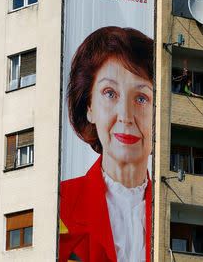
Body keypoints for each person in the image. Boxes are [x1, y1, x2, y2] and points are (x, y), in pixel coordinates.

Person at [59, 26, 153, 262]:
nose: (126, 116)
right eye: (110, 93)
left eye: (142, 98)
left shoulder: (178, 208)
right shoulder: (60, 202)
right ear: (89, 107)